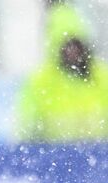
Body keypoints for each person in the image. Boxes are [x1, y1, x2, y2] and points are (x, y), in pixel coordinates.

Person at [16, 1, 108, 142]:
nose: (73, 52)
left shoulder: (103, 78)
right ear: (57, 48)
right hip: (55, 161)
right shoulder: (40, 84)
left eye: (76, 45)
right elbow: (25, 131)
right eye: (67, 46)